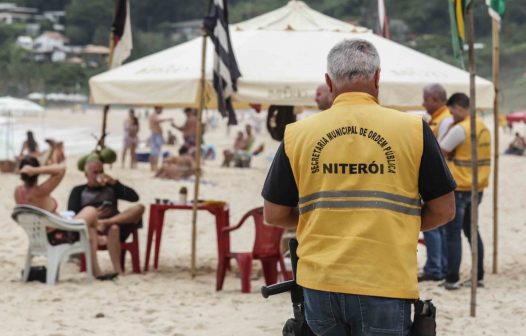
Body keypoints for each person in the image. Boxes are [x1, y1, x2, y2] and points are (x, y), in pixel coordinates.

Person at [262, 39, 456, 335]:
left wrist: (316, 220)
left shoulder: (297, 134)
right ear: (378, 77)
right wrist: (399, 224)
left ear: (328, 82)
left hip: (320, 284)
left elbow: (274, 214)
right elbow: (444, 210)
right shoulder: (414, 130)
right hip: (387, 280)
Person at [14, 156, 116, 280]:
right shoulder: (40, 192)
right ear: (34, 173)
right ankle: (99, 231)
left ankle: (97, 271)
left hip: (39, 237)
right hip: (57, 237)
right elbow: (62, 169)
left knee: (90, 229)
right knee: (91, 210)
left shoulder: (18, 192)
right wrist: (36, 170)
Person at [440, 93, 491, 290]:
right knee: (472, 231)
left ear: (460, 108)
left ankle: (452, 277)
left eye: (452, 112)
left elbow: (441, 150)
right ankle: (478, 275)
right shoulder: (483, 127)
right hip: (478, 186)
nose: (451, 116)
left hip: (460, 186)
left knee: (452, 234)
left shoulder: (461, 129)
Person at [68, 159, 145, 275]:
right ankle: (118, 271)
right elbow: (72, 215)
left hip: (116, 223)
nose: (99, 175)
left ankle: (107, 222)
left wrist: (115, 183)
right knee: (114, 228)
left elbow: (134, 197)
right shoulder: (78, 191)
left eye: (101, 171)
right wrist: (94, 215)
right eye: (95, 172)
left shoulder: (111, 187)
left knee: (139, 208)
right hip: (94, 229)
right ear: (86, 174)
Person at [418, 83, 452, 282]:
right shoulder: (438, 119)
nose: (423, 103)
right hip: (440, 178)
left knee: (434, 228)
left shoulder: (445, 120)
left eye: (426, 99)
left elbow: (440, 152)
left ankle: (435, 266)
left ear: (435, 99)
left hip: (439, 180)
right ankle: (439, 265)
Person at [148, 106, 172, 171]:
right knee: (156, 152)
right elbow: (158, 121)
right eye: (161, 109)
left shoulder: (154, 115)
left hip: (156, 135)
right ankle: (154, 167)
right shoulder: (154, 115)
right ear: (157, 109)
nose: (162, 110)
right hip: (156, 135)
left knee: (154, 152)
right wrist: (168, 119)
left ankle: (153, 167)